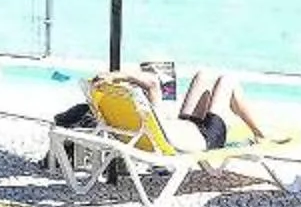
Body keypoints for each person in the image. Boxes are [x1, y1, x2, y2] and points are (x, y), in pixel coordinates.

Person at [107, 61, 271, 148]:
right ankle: (261, 135)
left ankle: (239, 112)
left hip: (184, 128)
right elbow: (153, 83)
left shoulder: (137, 115)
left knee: (203, 75)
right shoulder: (148, 113)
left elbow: (150, 84)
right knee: (227, 81)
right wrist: (121, 75)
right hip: (206, 138)